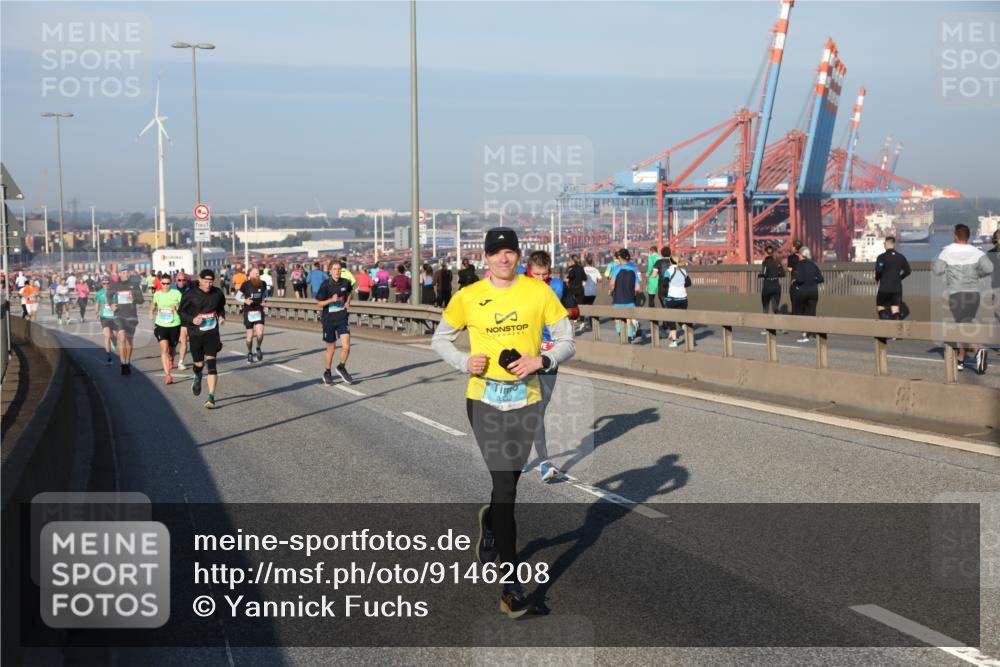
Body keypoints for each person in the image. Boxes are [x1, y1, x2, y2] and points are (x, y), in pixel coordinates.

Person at [431, 227, 575, 619]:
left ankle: (491, 522)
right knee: (506, 488)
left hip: (527, 399)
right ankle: (511, 588)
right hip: (484, 401)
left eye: (510, 251)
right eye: (496, 253)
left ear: (518, 256)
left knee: (508, 482)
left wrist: (541, 360)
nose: (504, 258)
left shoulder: (538, 292)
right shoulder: (469, 296)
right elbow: (440, 339)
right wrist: (464, 361)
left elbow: (568, 339)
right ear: (486, 257)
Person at [525, 250, 579, 483]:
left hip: (549, 354)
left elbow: (575, 311)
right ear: (529, 270)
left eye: (544, 275)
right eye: (536, 274)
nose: (540, 279)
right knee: (527, 409)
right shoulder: (517, 286)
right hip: (524, 354)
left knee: (538, 409)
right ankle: (543, 461)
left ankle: (528, 455)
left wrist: (559, 312)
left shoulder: (558, 286)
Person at [932, 223, 993, 374]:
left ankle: (978, 350)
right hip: (974, 294)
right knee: (966, 323)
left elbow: (937, 270)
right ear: (968, 237)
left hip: (957, 293)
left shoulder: (947, 251)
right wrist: (977, 275)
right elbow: (989, 268)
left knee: (962, 325)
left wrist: (948, 271)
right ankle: (960, 359)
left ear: (955, 236)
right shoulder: (976, 251)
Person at [179, 269, 227, 408]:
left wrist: (222, 316)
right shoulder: (190, 294)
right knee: (199, 364)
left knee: (212, 365)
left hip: (212, 333)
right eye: (205, 281)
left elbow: (220, 307)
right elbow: (181, 312)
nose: (208, 285)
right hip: (196, 333)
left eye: (211, 282)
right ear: (200, 280)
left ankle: (211, 397)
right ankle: (198, 375)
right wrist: (192, 319)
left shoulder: (217, 293)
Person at [315, 260, 355, 385]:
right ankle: (327, 372)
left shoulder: (346, 282)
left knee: (346, 347)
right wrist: (331, 300)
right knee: (331, 349)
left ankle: (341, 367)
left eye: (339, 269)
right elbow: (319, 304)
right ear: (330, 271)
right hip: (329, 320)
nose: (337, 271)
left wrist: (348, 302)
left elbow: (349, 292)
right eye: (335, 269)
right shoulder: (326, 285)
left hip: (342, 318)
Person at [108, 268, 145, 374]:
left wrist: (134, 299)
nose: (126, 274)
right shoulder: (114, 285)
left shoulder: (134, 285)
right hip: (119, 315)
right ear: (119, 274)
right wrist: (111, 304)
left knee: (129, 340)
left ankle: (127, 362)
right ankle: (123, 363)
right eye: (123, 273)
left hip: (131, 316)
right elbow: (108, 295)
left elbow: (141, 300)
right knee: (122, 339)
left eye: (127, 272)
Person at [150, 275, 182, 384]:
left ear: (171, 283)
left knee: (172, 348)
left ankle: (171, 358)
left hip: (174, 324)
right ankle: (167, 374)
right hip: (161, 324)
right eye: (163, 283)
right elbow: (154, 304)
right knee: (164, 349)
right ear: (161, 283)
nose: (165, 285)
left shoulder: (176, 293)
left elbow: (184, 307)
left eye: (168, 283)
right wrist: (151, 312)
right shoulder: (157, 294)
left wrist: (176, 307)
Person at [874, 236, 912, 321]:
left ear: (886, 244)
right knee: (895, 308)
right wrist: (900, 278)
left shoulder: (881, 257)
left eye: (884, 243)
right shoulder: (901, 257)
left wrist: (877, 278)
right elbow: (908, 271)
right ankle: (896, 325)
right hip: (897, 287)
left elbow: (879, 270)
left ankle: (886, 323)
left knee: (880, 305)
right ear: (894, 244)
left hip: (884, 287)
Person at [792, 246, 823, 343]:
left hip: (803, 291)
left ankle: (804, 335)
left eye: (799, 255)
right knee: (812, 312)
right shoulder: (813, 265)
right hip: (814, 291)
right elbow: (821, 279)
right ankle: (813, 332)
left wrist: (794, 282)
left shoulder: (799, 265)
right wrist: (812, 281)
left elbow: (800, 279)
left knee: (802, 313)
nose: (798, 256)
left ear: (802, 255)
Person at [237, 266, 268, 363]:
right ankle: (250, 353)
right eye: (255, 273)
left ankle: (258, 348)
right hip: (248, 311)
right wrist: (245, 300)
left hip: (259, 310)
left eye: (258, 273)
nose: (258, 275)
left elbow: (265, 294)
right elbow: (237, 297)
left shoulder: (263, 283)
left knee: (260, 333)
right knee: (250, 336)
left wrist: (264, 300)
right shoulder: (245, 285)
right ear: (250, 274)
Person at [609, 249, 641, 343]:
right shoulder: (633, 270)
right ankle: (629, 338)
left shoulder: (616, 269)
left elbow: (612, 284)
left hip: (618, 299)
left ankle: (621, 335)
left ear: (620, 258)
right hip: (630, 299)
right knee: (629, 320)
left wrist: (611, 290)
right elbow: (638, 288)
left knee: (617, 319)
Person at [659, 257, 690, 347]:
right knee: (681, 317)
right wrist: (681, 285)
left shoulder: (668, 271)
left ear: (670, 261)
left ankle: (674, 341)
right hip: (684, 298)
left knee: (671, 319)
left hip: (672, 298)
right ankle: (685, 327)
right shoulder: (683, 271)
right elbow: (689, 283)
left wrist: (670, 286)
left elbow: (665, 283)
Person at [758, 245, 785, 324]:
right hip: (776, 285)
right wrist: (775, 274)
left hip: (767, 286)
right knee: (775, 308)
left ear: (766, 253)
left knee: (765, 307)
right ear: (773, 253)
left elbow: (764, 273)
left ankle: (765, 326)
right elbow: (783, 274)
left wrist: (760, 275)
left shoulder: (765, 262)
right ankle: (781, 325)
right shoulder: (777, 262)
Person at [94, 278, 116, 364]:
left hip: (114, 317)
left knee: (114, 335)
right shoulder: (99, 293)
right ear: (102, 284)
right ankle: (109, 358)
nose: (106, 285)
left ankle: (113, 341)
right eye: (104, 283)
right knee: (107, 336)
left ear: (110, 284)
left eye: (107, 283)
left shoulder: (114, 292)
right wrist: (97, 312)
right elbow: (97, 303)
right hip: (104, 317)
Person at [173, 273, 192, 371]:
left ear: (186, 281)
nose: (181, 282)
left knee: (184, 340)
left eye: (183, 280)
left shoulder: (190, 289)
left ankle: (180, 362)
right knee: (172, 343)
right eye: (179, 280)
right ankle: (171, 358)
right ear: (175, 280)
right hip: (173, 319)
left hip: (184, 318)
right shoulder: (171, 289)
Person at [786, 240, 803, 315]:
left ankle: (794, 316)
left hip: (794, 282)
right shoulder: (804, 257)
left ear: (795, 248)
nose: (791, 247)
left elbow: (789, 269)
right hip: (804, 283)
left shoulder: (791, 257)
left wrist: (793, 269)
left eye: (792, 246)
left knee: (794, 303)